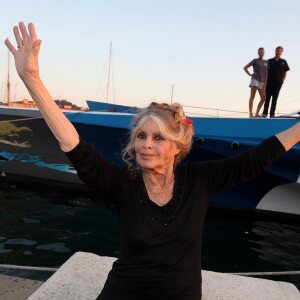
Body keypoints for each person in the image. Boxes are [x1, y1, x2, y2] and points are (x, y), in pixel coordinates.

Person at [5, 22, 300, 300]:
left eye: (158, 139)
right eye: (141, 136)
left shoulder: (200, 180)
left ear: (176, 146)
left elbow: (257, 158)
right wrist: (32, 78)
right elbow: (73, 144)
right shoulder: (123, 184)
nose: (146, 145)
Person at [262, 46, 290, 118]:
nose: (278, 52)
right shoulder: (269, 61)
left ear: (282, 52)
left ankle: (272, 114)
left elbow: (285, 72)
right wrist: (265, 82)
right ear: (275, 51)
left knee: (275, 98)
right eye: (277, 50)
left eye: (280, 51)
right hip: (269, 82)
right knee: (267, 98)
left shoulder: (283, 61)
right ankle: (264, 113)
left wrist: (282, 80)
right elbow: (266, 71)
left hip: (278, 83)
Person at [243, 47, 269, 118]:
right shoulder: (255, 60)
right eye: (260, 52)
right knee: (252, 96)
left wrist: (265, 83)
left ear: (264, 53)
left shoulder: (266, 62)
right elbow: (245, 67)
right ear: (258, 53)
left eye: (262, 52)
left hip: (262, 81)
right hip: (255, 80)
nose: (261, 53)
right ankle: (251, 114)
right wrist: (250, 74)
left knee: (263, 98)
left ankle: (257, 113)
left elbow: (266, 73)